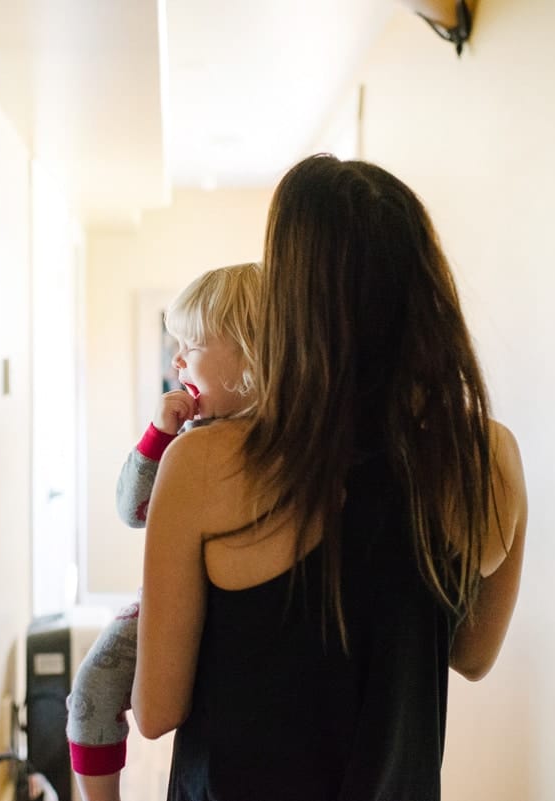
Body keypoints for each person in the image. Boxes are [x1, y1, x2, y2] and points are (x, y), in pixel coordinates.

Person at [131, 154, 528, 800]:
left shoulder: (205, 464)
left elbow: (155, 710)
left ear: (289, 300)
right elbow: (472, 654)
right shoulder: (486, 457)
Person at [66, 262, 262, 801]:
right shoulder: (186, 437)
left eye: (191, 345)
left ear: (249, 354)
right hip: (168, 596)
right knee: (94, 684)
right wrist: (158, 435)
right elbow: (132, 509)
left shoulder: (291, 435)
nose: (176, 360)